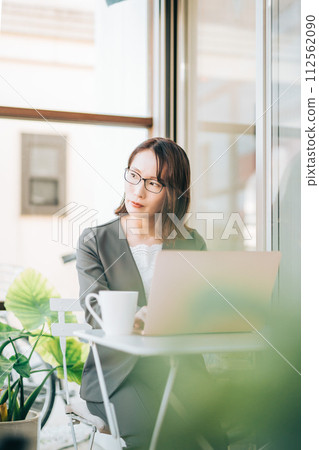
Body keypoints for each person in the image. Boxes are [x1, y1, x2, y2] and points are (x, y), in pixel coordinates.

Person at [76, 137, 227, 449]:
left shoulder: (191, 242)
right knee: (155, 436)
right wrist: (130, 319)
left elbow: (202, 303)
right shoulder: (96, 241)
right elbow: (92, 308)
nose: (138, 190)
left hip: (178, 367)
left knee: (212, 438)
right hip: (117, 376)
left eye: (153, 183)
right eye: (133, 176)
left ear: (173, 191)